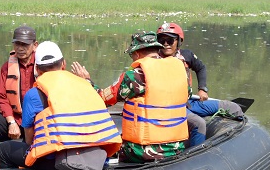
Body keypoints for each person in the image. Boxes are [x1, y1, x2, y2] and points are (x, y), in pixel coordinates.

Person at [0, 41, 121, 170]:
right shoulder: (87, 85)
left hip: (56, 159)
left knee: (4, 149)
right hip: (96, 155)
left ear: (37, 69)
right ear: (63, 64)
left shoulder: (33, 94)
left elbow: (29, 138)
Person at [75, 32, 188, 163]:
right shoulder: (179, 70)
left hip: (144, 151)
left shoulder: (136, 75)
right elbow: (188, 94)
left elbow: (102, 99)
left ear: (137, 54)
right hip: (177, 147)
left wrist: (87, 81)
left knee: (112, 147)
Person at [0, 25, 38, 170]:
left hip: (37, 120)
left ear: (35, 45)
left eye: (25, 44)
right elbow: (2, 96)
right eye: (17, 44)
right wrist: (11, 121)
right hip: (17, 118)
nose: (20, 48)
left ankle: (30, 166)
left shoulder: (43, 64)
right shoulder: (7, 67)